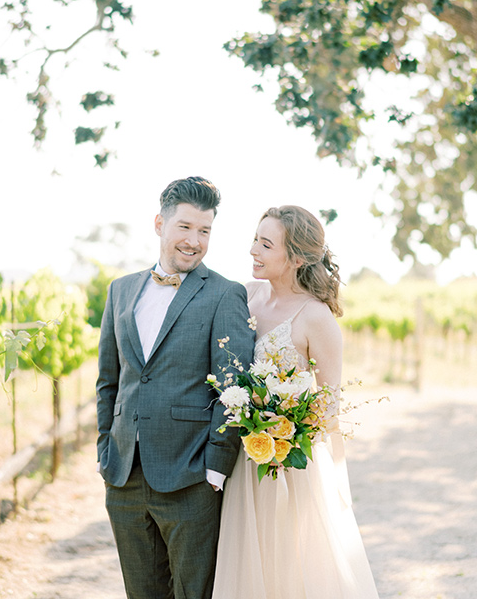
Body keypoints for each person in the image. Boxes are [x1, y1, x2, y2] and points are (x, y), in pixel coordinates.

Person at [96, 176, 255, 599]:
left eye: (204, 231)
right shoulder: (121, 290)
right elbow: (108, 381)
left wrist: (215, 468)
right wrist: (104, 451)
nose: (194, 241)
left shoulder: (225, 294)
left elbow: (233, 387)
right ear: (159, 224)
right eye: (184, 227)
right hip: (124, 476)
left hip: (191, 479)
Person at [212, 205, 380, 599]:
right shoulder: (245, 296)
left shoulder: (316, 318)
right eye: (255, 239)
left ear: (297, 258)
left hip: (290, 468)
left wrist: (283, 431)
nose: (253, 250)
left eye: (266, 244)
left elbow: (330, 407)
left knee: (291, 569)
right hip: (244, 460)